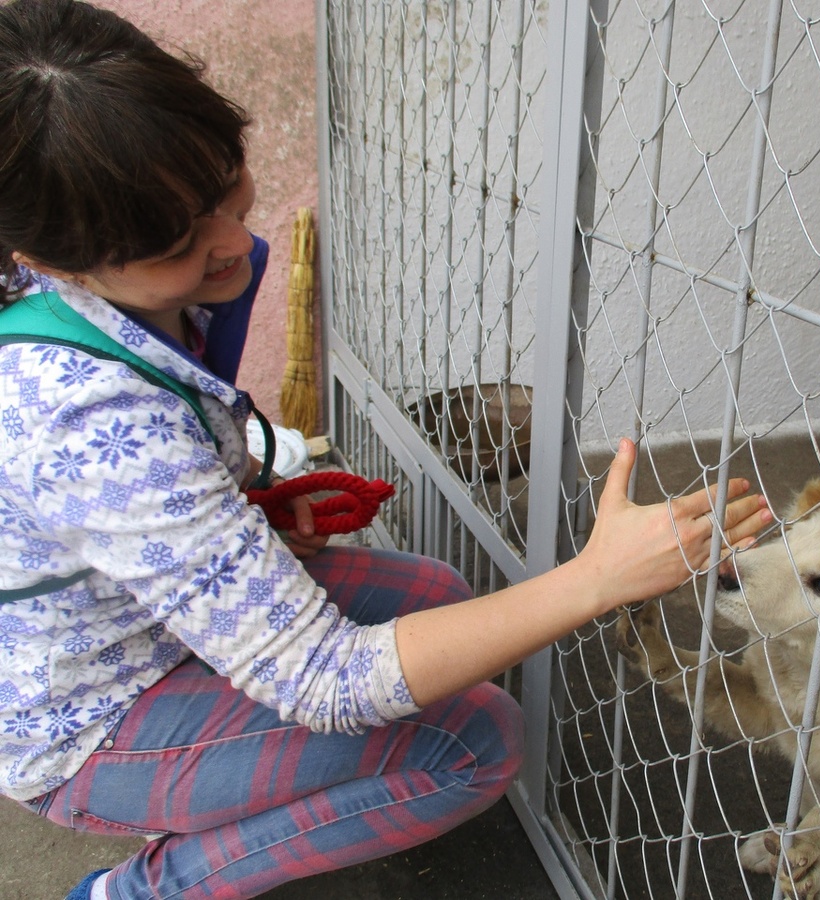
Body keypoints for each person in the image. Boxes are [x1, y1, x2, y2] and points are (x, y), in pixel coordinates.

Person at [0, 2, 770, 898]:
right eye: (177, 244)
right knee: (472, 743)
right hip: (84, 720)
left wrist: (246, 516)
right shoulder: (87, 420)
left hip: (128, 632)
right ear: (52, 261)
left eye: (225, 185)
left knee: (437, 597)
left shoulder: (115, 310)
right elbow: (327, 682)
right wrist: (597, 578)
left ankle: (246, 775)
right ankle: (143, 888)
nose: (227, 242)